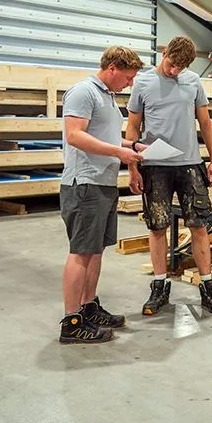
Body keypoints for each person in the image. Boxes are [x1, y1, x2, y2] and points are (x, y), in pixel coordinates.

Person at [126, 36, 212, 316]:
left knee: (199, 225)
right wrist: (132, 167)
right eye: (171, 64)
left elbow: (205, 123)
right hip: (154, 165)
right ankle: (159, 287)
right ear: (164, 53)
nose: (174, 71)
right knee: (157, 226)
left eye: (180, 68)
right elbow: (133, 126)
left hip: (190, 164)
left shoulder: (193, 81)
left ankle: (208, 286)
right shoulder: (142, 82)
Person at [59, 47, 146, 344]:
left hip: (103, 183)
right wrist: (118, 152)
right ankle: (71, 321)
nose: (130, 83)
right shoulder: (83, 92)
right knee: (81, 252)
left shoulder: (107, 96)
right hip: (84, 183)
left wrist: (133, 147)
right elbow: (74, 135)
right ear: (112, 68)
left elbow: (106, 137)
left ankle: (88, 307)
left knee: (95, 250)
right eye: (128, 77)